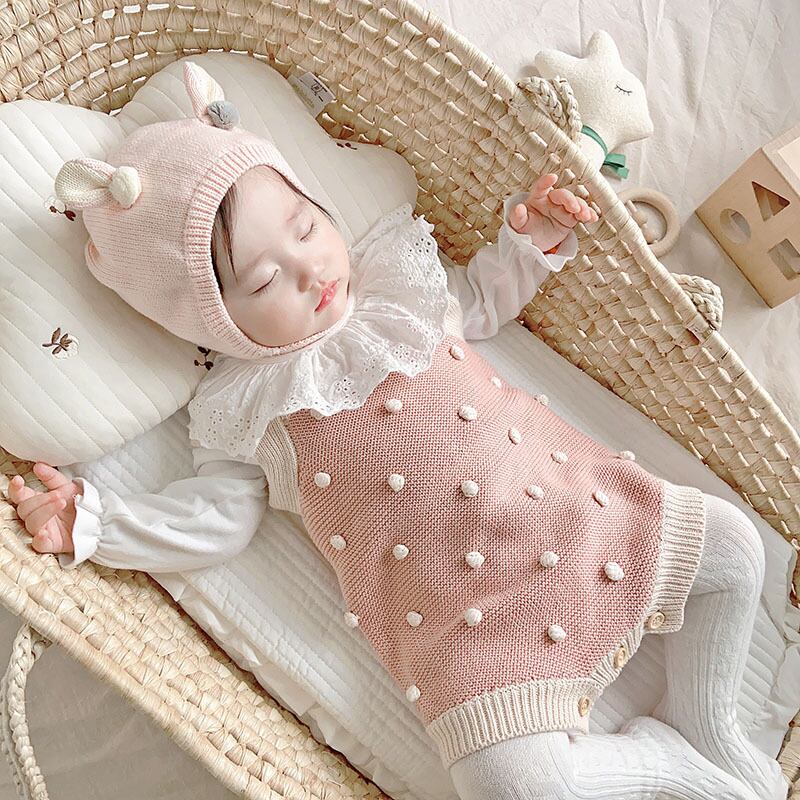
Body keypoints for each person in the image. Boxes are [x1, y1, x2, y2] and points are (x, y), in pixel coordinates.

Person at [6, 61, 788, 800]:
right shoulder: (245, 411)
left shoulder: (396, 284)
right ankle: (669, 762)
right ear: (210, 320)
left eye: (305, 226)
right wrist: (97, 523)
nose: (310, 270)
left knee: (734, 549)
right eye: (265, 279)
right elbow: (214, 519)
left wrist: (530, 244)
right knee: (515, 785)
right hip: (469, 629)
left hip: (576, 513)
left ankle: (706, 726)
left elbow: (482, 303)